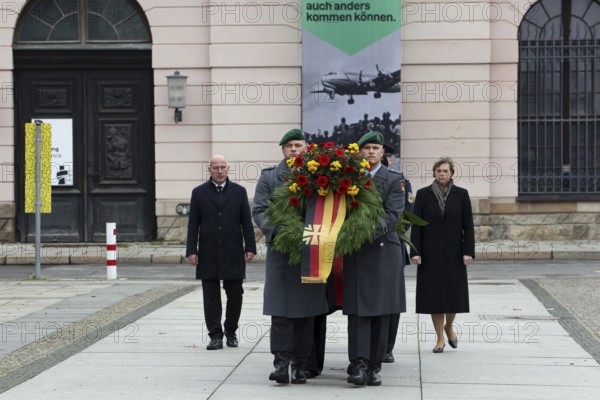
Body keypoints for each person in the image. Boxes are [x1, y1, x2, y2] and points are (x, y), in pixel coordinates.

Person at [252, 129, 329, 384]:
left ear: (306, 148)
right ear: (282, 149)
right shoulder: (270, 177)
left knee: (306, 313)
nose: (294, 149)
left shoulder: (319, 176)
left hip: (311, 250)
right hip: (282, 252)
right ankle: (281, 363)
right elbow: (261, 209)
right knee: (281, 312)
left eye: (298, 145)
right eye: (289, 146)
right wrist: (277, 231)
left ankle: (300, 365)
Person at [343, 131, 406, 386]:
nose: (370, 152)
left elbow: (393, 215)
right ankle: (357, 364)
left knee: (380, 312)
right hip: (356, 252)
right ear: (359, 152)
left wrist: (363, 231)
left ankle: (374, 366)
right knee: (358, 312)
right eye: (366, 147)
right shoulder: (348, 178)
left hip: (382, 251)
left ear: (383, 153)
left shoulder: (393, 179)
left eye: (375, 148)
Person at [185, 155, 256, 350]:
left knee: (235, 294)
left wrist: (250, 247)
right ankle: (215, 335)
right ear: (209, 169)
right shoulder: (198, 193)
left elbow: (246, 222)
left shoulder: (239, 192)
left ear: (228, 169)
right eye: (215, 167)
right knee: (210, 296)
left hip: (233, 251)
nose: (219, 170)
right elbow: (193, 224)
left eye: (223, 167)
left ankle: (231, 331)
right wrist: (191, 250)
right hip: (208, 252)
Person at [410, 156, 475, 353]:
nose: (442, 174)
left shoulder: (462, 195)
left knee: (453, 294)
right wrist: (415, 251)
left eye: (445, 171)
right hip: (430, 253)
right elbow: (416, 225)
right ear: (434, 173)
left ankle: (449, 325)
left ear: (451, 173)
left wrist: (468, 251)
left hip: (455, 252)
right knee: (434, 296)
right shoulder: (423, 194)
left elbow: (468, 226)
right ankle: (439, 338)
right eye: (439, 171)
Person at [383, 161, 414, 364]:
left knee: (391, 301)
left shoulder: (401, 181)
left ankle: (387, 347)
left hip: (391, 244)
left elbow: (407, 213)